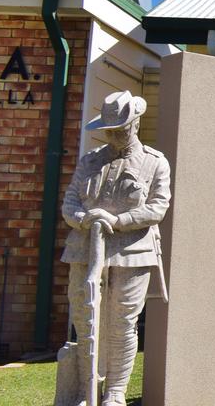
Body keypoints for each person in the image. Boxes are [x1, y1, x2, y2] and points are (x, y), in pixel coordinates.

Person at [59, 91, 171, 406]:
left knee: (122, 321)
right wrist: (85, 218)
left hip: (132, 253)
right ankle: (86, 390)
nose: (114, 134)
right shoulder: (90, 160)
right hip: (84, 250)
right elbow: (70, 200)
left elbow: (158, 207)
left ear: (136, 124)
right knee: (85, 320)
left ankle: (115, 392)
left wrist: (117, 219)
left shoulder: (154, 162)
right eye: (110, 129)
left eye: (120, 128)